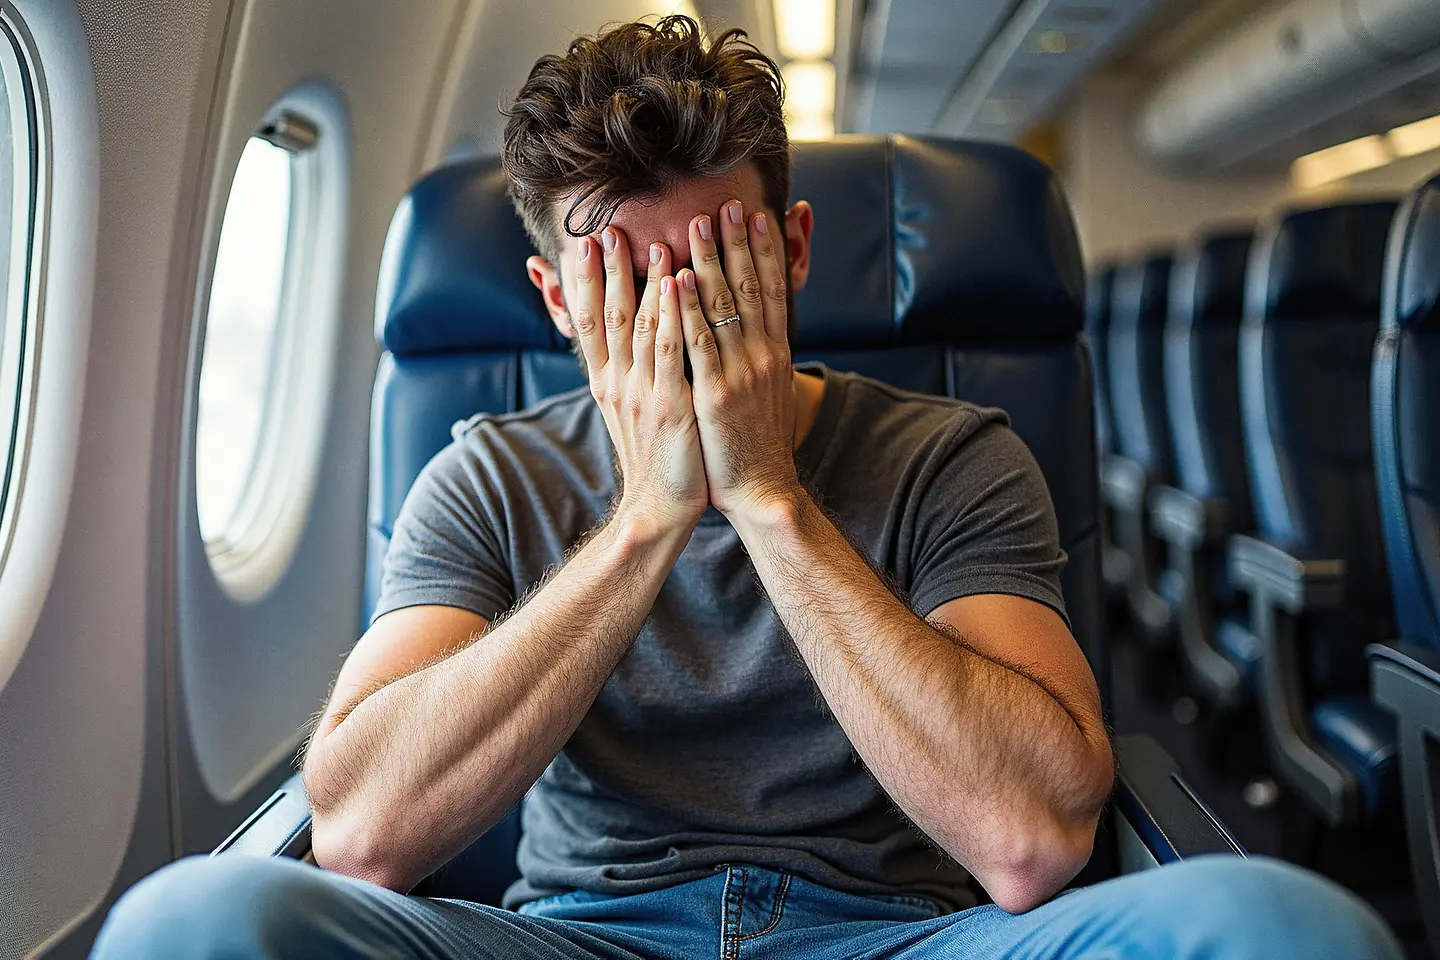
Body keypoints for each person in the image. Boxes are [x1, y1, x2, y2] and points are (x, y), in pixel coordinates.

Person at [92, 16, 1401, 960]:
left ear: (793, 250)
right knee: (184, 923)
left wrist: (768, 496)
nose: (680, 325)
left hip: (896, 937)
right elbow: (368, 831)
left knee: (1284, 925)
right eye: (627, 284)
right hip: (579, 938)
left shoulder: (952, 455)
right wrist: (652, 516)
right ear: (555, 300)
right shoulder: (489, 476)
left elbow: (1034, 838)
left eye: (717, 272)